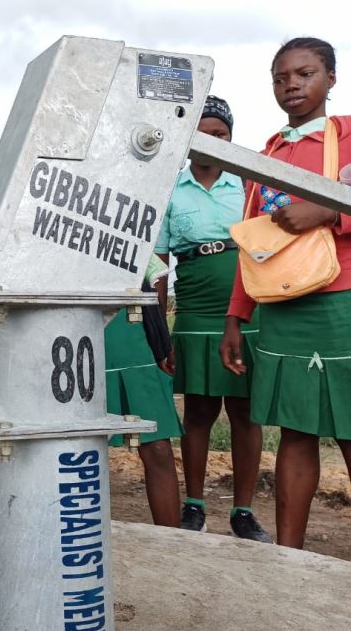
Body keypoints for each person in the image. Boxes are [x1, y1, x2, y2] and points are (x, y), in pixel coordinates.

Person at [220, 37, 351, 549]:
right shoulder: (268, 154)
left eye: (305, 73)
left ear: (331, 79)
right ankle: (288, 559)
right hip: (280, 308)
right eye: (281, 77)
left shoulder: (347, 136)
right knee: (295, 434)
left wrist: (327, 212)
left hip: (340, 304)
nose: (292, 85)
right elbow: (253, 243)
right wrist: (236, 317)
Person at [156, 96, 271, 541]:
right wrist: (157, 326)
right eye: (201, 135)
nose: (212, 142)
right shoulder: (172, 191)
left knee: (245, 412)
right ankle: (195, 504)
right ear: (187, 141)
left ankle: (243, 511)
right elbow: (161, 263)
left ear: (231, 138)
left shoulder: (248, 187)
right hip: (194, 309)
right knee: (199, 410)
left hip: (247, 307)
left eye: (220, 135)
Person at [105, 257, 183, 528]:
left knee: (158, 445)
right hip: (69, 317)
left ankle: (172, 542)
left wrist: (160, 337)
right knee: (76, 449)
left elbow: (153, 275)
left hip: (129, 322)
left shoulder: (125, 214)